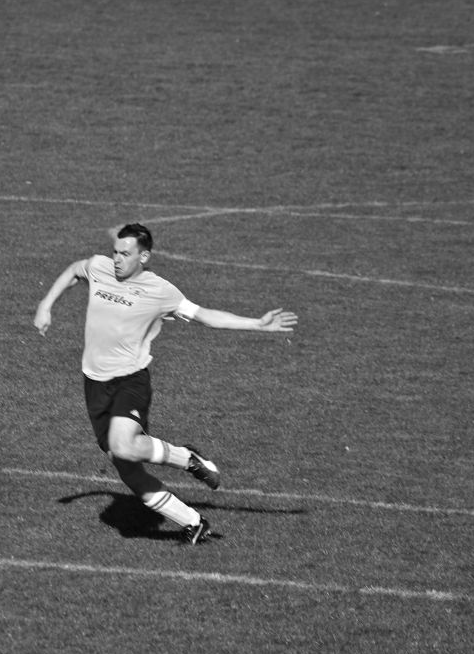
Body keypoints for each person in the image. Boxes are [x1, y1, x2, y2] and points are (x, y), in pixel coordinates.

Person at [33, 223, 297, 544]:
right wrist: (46, 305)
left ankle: (187, 458)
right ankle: (193, 522)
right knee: (127, 467)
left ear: (143, 257)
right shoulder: (100, 267)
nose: (117, 259)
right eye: (115, 252)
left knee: (123, 445)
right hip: (94, 384)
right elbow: (75, 270)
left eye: (125, 254)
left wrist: (256, 324)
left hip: (129, 381)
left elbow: (204, 316)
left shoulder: (159, 290)